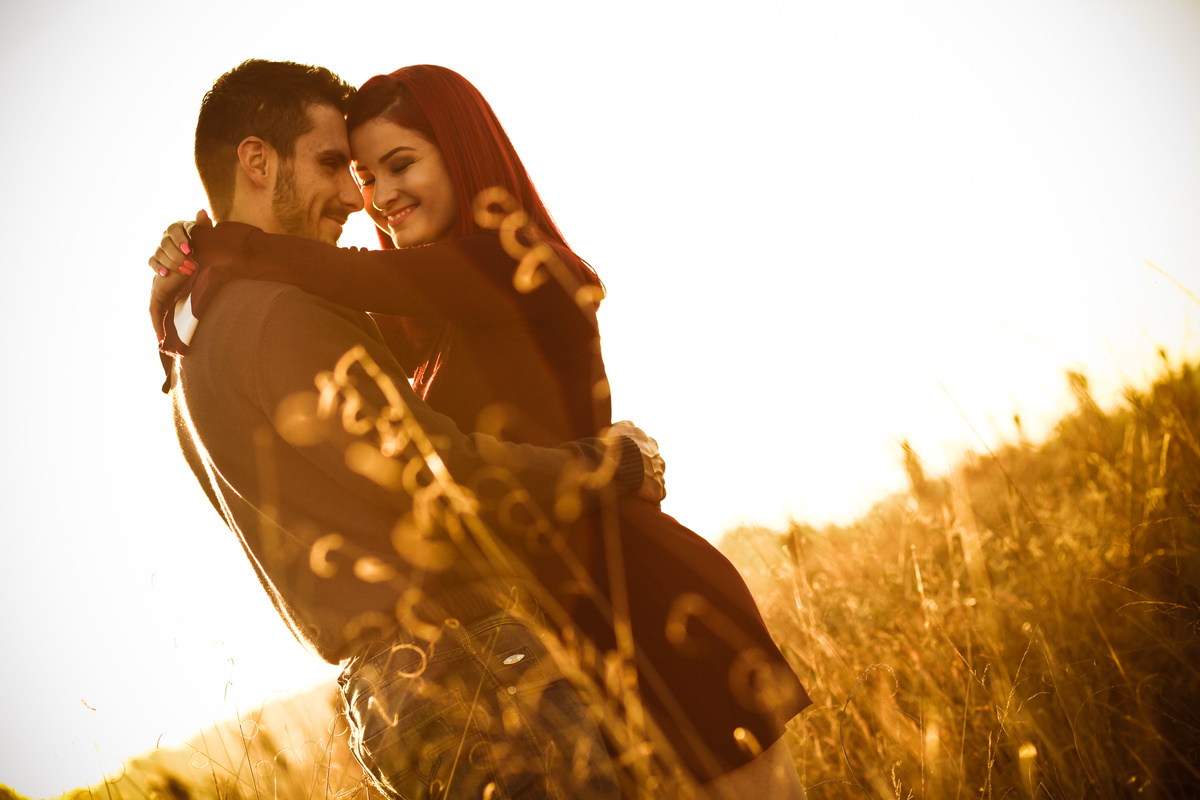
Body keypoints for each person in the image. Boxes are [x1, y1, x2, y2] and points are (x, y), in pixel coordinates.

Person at [150, 61, 810, 798]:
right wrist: (191, 273)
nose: (369, 198)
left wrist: (211, 252)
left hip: (643, 600)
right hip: (540, 633)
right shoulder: (350, 319)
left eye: (399, 165)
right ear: (257, 160)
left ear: (461, 154)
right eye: (354, 171)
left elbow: (353, 295)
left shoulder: (511, 261)